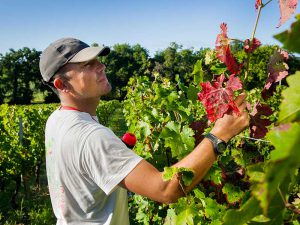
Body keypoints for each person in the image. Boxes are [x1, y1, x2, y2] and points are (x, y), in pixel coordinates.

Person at [39, 37, 249, 225]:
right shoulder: (91, 137)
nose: (101, 66)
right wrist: (219, 135)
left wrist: (109, 157)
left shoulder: (57, 119)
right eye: (87, 65)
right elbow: (166, 190)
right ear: (61, 84)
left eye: (98, 60)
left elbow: (81, 162)